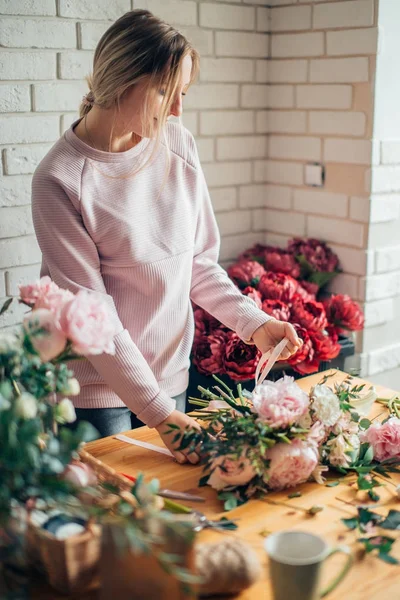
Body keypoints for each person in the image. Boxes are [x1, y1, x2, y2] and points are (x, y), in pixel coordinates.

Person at [32, 9, 302, 464]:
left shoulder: (178, 145)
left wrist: (253, 323)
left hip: (172, 380)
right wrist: (156, 412)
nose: (178, 109)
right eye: (165, 92)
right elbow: (93, 316)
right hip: (94, 394)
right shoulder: (60, 179)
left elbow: (197, 262)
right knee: (111, 522)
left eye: (183, 93)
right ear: (121, 79)